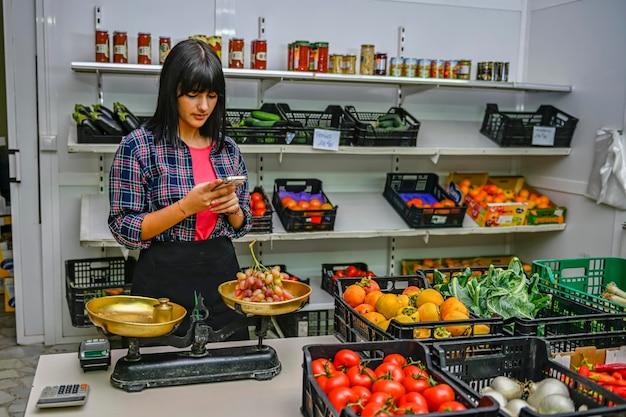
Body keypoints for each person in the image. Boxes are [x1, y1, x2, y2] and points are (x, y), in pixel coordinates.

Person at [108, 38, 252, 340]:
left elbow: (242, 223)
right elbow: (123, 227)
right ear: (171, 91)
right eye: (192, 95)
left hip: (222, 278)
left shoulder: (227, 149)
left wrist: (234, 209)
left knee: (228, 371)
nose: (204, 106)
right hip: (162, 284)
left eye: (212, 96)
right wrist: (186, 207)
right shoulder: (139, 146)